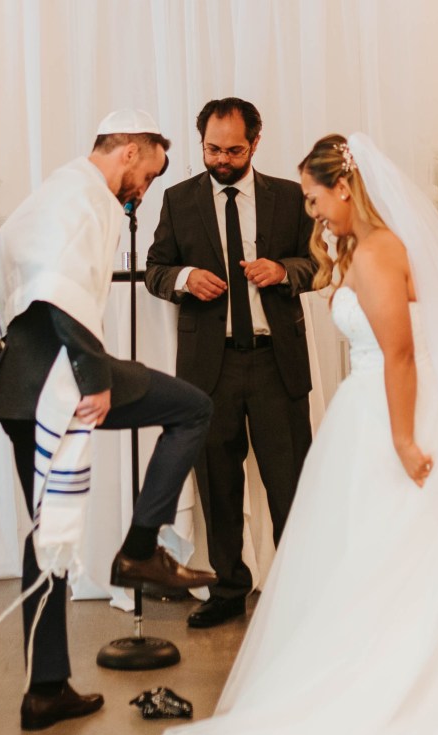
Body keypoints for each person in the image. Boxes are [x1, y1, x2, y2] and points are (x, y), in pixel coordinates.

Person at [136, 133, 438, 735]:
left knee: (399, 553)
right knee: (374, 553)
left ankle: (409, 681)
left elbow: (400, 354)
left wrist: (404, 440)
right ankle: (384, 666)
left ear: (346, 187)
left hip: (398, 413)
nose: (311, 210)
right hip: (370, 409)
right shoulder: (359, 247)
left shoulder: (381, 250)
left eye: (314, 197)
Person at [0, 109, 217, 731]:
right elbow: (57, 292)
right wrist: (94, 376)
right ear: (129, 151)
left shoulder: (60, 190)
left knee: (47, 531)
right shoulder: (81, 197)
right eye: (149, 174)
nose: (145, 189)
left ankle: (46, 687)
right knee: (193, 407)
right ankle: (139, 551)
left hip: (22, 380)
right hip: (56, 372)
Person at [145, 97, 317, 629]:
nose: (222, 159)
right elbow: (155, 269)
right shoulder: (178, 199)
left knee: (291, 483)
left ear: (255, 144)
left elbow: (317, 262)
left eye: (234, 150)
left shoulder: (289, 197)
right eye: (212, 149)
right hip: (209, 368)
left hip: (274, 363)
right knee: (218, 485)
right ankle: (227, 589)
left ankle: (301, 590)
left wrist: (283, 271)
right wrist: (185, 278)